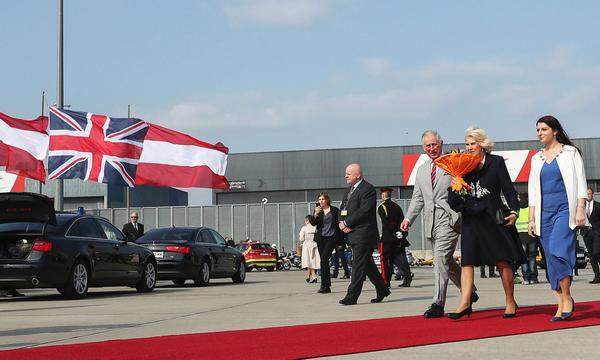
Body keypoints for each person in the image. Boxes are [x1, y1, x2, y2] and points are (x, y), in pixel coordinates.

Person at [447, 126, 525, 319]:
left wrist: (514, 212)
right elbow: (457, 195)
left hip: (493, 217)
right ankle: (465, 303)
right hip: (471, 220)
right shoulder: (463, 165)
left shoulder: (496, 162)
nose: (469, 147)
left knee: (501, 261)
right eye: (467, 144)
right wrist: (455, 181)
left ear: (482, 144)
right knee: (467, 262)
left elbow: (508, 189)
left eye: (473, 143)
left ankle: (509, 301)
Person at [401, 130, 477, 318]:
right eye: (428, 145)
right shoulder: (421, 170)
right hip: (431, 222)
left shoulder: (453, 163)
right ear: (423, 147)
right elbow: (418, 198)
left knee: (440, 258)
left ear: (441, 143)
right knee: (447, 261)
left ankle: (437, 303)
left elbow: (465, 187)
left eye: (435, 144)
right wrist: (408, 218)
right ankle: (469, 291)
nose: (432, 148)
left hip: (449, 219)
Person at [528, 116, 588, 321]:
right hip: (544, 213)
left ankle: (568, 297)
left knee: (558, 250)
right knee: (550, 258)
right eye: (537, 130)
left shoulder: (570, 153)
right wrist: (532, 219)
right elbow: (533, 191)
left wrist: (580, 209)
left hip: (565, 210)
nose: (539, 133)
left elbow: (581, 182)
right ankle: (560, 300)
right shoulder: (537, 158)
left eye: (543, 129)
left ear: (555, 131)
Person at [338, 163, 390, 305]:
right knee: (366, 265)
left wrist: (347, 223)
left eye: (348, 173)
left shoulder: (368, 189)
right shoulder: (348, 190)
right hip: (351, 233)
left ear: (358, 175)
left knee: (358, 265)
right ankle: (382, 289)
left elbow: (364, 211)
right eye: (346, 173)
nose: (345, 176)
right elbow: (342, 209)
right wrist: (341, 223)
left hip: (364, 234)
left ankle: (352, 296)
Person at [377, 187, 413, 287]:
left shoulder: (382, 207)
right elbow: (402, 220)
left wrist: (393, 232)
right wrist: (401, 233)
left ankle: (386, 281)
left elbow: (386, 222)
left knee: (385, 260)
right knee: (400, 257)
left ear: (383, 195)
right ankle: (407, 277)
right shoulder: (397, 207)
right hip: (398, 237)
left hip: (388, 237)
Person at [311, 192, 345, 293]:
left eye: (322, 199)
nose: (321, 201)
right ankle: (326, 286)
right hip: (321, 238)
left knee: (324, 259)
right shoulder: (318, 211)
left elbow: (339, 225)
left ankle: (325, 285)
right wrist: (315, 214)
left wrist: (341, 241)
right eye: (319, 199)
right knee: (323, 261)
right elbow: (313, 223)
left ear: (327, 200)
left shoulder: (334, 210)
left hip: (331, 238)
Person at [517, 193, 540, 285]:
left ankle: (526, 278)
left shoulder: (517, 210)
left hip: (520, 237)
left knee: (524, 259)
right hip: (531, 237)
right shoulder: (530, 209)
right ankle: (533, 277)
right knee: (532, 258)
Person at [581, 187, 600, 284]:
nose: (588, 195)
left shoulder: (598, 205)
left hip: (597, 233)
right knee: (591, 255)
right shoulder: (581, 206)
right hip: (586, 233)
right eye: (586, 194)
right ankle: (597, 276)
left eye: (589, 194)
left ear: (592, 194)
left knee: (597, 252)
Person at [299, 215, 320, 283]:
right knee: (312, 261)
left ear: (307, 221)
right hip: (314, 245)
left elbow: (301, 238)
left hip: (306, 245)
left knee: (308, 261)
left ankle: (313, 276)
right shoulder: (315, 227)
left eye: (305, 221)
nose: (304, 222)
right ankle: (309, 276)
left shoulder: (304, 228)